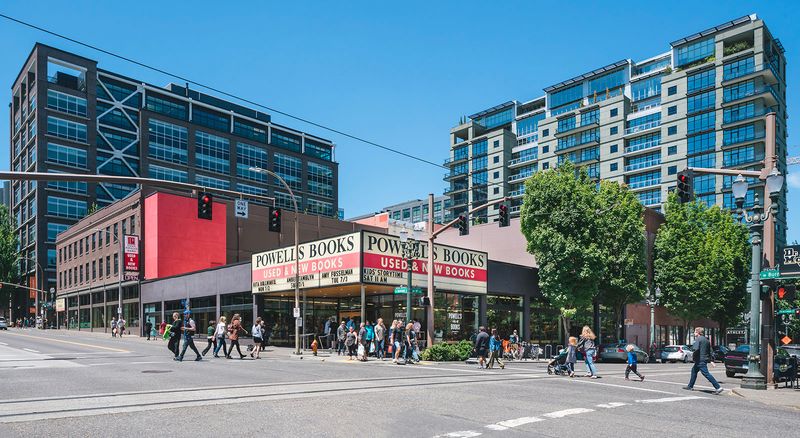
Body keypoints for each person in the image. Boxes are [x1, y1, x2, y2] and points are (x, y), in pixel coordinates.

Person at [683, 327, 723, 394]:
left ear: (698, 332)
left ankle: (718, 387)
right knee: (694, 371)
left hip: (700, 360)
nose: (694, 333)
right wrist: (711, 360)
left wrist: (692, 354)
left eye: (695, 332)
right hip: (703, 359)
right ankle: (690, 386)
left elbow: (695, 349)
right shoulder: (706, 340)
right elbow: (710, 351)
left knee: (706, 374)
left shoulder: (698, 339)